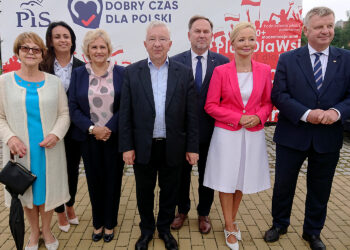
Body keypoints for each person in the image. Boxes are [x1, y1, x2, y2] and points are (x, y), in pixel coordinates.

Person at [264, 7, 350, 250]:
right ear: (306, 30)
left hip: (328, 138)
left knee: (320, 188)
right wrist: (306, 114)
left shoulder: (346, 59)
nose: (326, 31)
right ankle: (279, 224)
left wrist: (335, 112)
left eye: (330, 25)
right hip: (292, 135)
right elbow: (279, 94)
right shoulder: (288, 58)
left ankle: (312, 232)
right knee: (283, 185)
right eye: (319, 26)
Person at [119, 21, 199, 250]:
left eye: (162, 39)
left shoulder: (183, 73)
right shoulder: (132, 72)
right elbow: (125, 114)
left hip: (172, 145)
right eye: (152, 39)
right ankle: (146, 231)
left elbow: (191, 114)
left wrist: (192, 147)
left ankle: (164, 229)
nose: (157, 43)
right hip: (143, 146)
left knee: (169, 192)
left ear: (170, 44)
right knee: (144, 192)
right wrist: (127, 146)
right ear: (145, 44)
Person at [204, 22, 273, 250]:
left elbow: (267, 102)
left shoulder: (263, 70)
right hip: (227, 134)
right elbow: (211, 105)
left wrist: (259, 117)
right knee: (226, 179)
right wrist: (238, 117)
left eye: (251, 39)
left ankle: (230, 221)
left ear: (256, 42)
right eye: (241, 39)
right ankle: (230, 225)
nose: (247, 44)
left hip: (252, 135)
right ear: (231, 43)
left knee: (242, 178)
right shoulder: (221, 71)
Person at [0, 32, 70, 250]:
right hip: (20, 151)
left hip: (48, 149)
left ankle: (47, 231)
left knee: (45, 194)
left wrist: (56, 134)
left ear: (42, 55)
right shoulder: (4, 82)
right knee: (26, 194)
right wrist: (10, 137)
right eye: (25, 48)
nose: (30, 52)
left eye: (35, 49)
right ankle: (33, 233)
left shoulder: (54, 82)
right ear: (18, 52)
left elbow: (64, 114)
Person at [170, 15, 229, 233]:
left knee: (208, 175)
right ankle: (182, 210)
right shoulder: (174, 62)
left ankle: (204, 213)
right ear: (189, 35)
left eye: (206, 31)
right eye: (197, 31)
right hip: (182, 133)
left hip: (213, 131)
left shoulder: (223, 63)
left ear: (212, 36)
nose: (202, 35)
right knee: (181, 176)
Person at [68, 29, 124, 243]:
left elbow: (125, 106)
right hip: (89, 138)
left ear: (108, 50)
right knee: (94, 182)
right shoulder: (79, 74)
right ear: (87, 51)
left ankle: (110, 224)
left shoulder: (121, 73)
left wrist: (108, 128)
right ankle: (97, 223)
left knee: (113, 180)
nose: (98, 51)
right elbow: (73, 107)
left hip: (114, 137)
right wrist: (92, 129)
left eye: (102, 47)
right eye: (94, 47)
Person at [41, 21, 85, 233]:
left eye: (66, 36)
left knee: (72, 170)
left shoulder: (81, 67)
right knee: (54, 171)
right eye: (57, 36)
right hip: (50, 129)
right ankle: (59, 212)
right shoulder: (43, 66)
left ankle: (70, 203)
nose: (62, 40)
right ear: (50, 40)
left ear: (72, 40)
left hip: (75, 129)